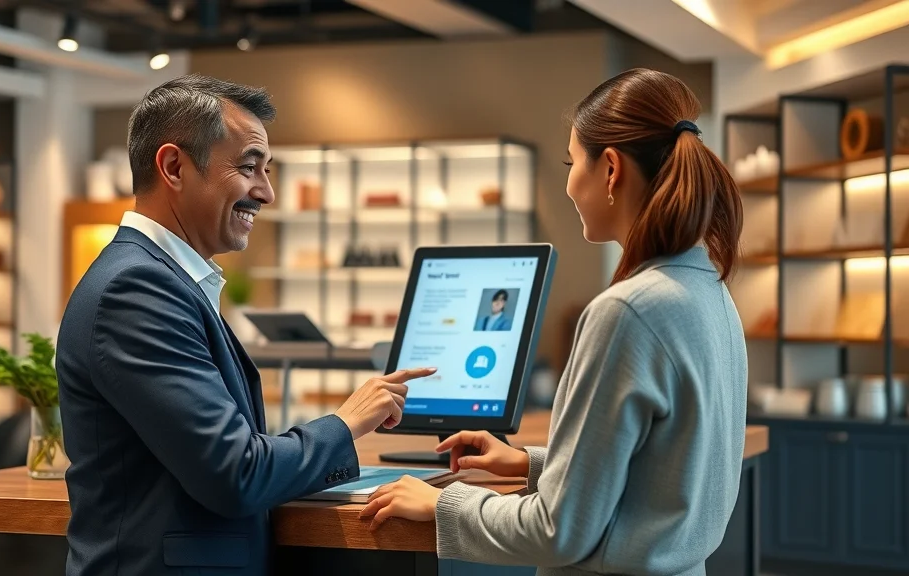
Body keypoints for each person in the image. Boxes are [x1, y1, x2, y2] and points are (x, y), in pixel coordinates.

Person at [361, 68, 747, 576]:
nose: (567, 182)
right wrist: (531, 463)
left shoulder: (627, 312)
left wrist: (440, 506)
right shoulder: (710, 291)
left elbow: (558, 531)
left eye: (571, 161)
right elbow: (658, 480)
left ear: (610, 169)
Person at [56, 74, 435, 576]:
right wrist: (347, 422)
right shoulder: (137, 289)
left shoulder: (160, 279)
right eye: (250, 167)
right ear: (173, 167)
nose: (267, 192)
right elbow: (238, 474)